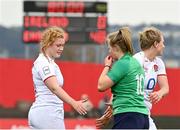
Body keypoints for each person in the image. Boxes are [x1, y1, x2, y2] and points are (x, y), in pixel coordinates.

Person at [96, 27, 169, 130]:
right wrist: (110, 109)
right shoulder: (137, 60)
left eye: (109, 48)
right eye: (162, 42)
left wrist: (159, 93)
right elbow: (122, 84)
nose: (164, 46)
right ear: (156, 44)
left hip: (133, 111)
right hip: (139, 111)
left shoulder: (156, 63)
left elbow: (103, 85)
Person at [28, 26, 87, 129]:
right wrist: (74, 103)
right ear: (48, 44)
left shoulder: (50, 62)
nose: (61, 49)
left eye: (63, 45)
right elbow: (54, 87)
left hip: (46, 114)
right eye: (58, 45)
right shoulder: (44, 63)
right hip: (47, 114)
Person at [97, 27, 149, 129]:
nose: (109, 51)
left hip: (128, 116)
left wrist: (107, 66)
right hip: (142, 116)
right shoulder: (134, 62)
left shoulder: (123, 64)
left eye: (109, 48)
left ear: (115, 47)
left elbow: (100, 86)